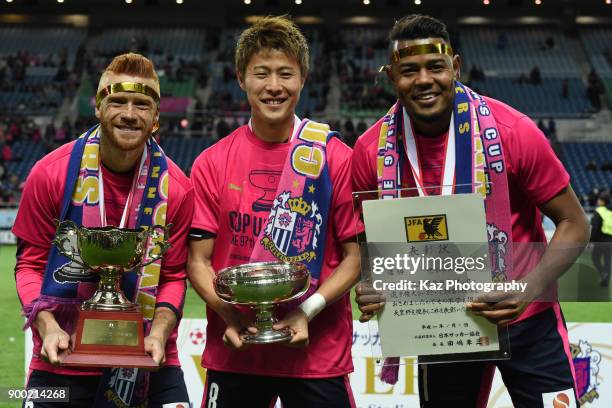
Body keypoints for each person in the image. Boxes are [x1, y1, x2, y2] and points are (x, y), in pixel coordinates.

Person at [351, 15, 589, 408]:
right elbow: (370, 239)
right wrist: (373, 280)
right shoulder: (368, 151)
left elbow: (574, 222)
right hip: (443, 328)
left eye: (436, 67)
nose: (424, 79)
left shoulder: (514, 131)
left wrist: (526, 289)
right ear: (391, 76)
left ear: (456, 67)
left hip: (528, 321)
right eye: (409, 70)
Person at [187, 16, 361, 407]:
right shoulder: (212, 162)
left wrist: (307, 310)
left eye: (286, 74)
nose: (274, 87)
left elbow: (356, 257)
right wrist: (228, 314)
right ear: (240, 78)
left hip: (317, 355)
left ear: (303, 78)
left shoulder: (333, 156)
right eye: (261, 73)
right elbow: (198, 261)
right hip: (237, 352)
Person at [14, 53, 193, 407]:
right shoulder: (49, 174)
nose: (129, 113)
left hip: (149, 360)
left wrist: (157, 333)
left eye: (142, 104)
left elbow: (173, 275)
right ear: (98, 107)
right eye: (117, 101)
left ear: (156, 117)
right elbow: (30, 265)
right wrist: (47, 328)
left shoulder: (179, 188)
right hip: (61, 357)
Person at [591, 193, 612, 287]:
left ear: (602, 201)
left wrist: (591, 239)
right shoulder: (610, 211)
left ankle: (602, 272)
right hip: (610, 240)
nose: (598, 201)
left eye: (599, 199)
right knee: (608, 260)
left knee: (595, 258)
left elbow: (595, 227)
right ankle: (605, 282)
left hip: (600, 240)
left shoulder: (599, 211)